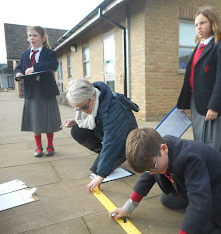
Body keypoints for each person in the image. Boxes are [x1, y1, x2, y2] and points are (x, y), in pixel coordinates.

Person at [110, 128, 221, 234]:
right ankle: (206, 217)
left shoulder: (189, 158)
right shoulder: (158, 149)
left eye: (152, 167)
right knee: (167, 199)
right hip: (207, 185)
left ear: (163, 149)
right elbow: (147, 177)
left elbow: (200, 202)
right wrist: (127, 208)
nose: (150, 172)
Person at [63, 79, 138, 191]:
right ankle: (105, 155)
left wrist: (101, 175)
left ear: (93, 95)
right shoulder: (97, 99)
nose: (82, 112)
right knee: (77, 130)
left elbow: (111, 143)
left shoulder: (115, 110)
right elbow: (97, 118)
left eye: (84, 107)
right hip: (108, 134)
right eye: (78, 109)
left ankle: (120, 156)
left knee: (97, 169)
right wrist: (76, 120)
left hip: (123, 143)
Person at [177, 6, 221, 155]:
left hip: (210, 103)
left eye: (203, 23)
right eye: (196, 24)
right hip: (196, 101)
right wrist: (184, 103)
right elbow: (189, 78)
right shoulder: (197, 48)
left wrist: (215, 106)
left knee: (212, 143)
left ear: (213, 23)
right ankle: (203, 170)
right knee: (199, 140)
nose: (198, 27)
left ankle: (216, 173)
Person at [14, 26, 61, 157]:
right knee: (36, 119)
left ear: (43, 38)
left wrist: (34, 67)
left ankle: (50, 145)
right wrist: (18, 72)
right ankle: (38, 147)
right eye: (30, 36)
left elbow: (53, 65)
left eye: (34, 35)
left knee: (48, 119)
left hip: (46, 90)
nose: (31, 38)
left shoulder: (49, 53)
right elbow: (19, 67)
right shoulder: (24, 54)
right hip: (31, 90)